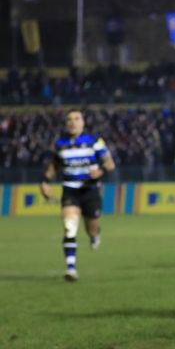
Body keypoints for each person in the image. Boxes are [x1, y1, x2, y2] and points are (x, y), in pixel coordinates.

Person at [40, 109, 115, 282]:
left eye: (76, 118)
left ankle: (95, 235)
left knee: (92, 227)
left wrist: (101, 171)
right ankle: (71, 267)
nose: (72, 122)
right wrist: (45, 182)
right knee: (69, 226)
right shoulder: (60, 144)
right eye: (69, 119)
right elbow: (53, 166)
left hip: (90, 190)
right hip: (70, 190)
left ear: (83, 123)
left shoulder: (94, 142)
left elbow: (110, 164)